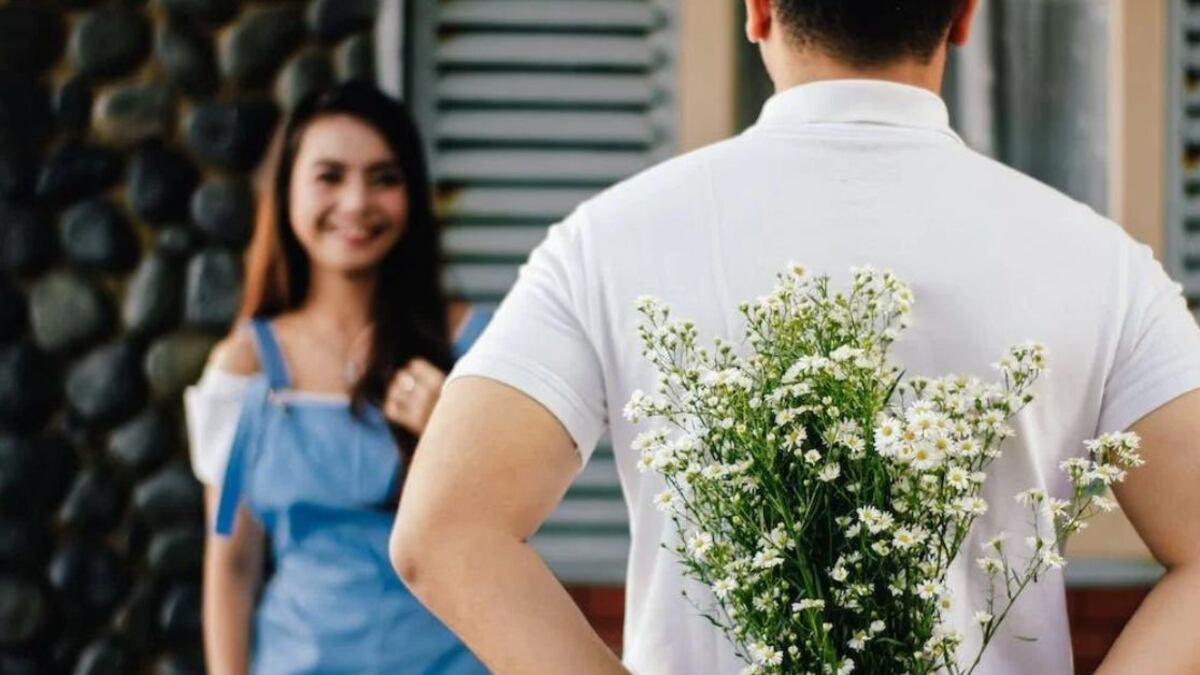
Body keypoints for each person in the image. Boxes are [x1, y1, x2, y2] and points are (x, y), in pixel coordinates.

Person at [388, 1, 1200, 673]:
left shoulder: (608, 239)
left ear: (757, 10)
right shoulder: (1096, 260)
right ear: (963, 17)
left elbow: (444, 530)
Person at [184, 82, 490, 674]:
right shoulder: (242, 369)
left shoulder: (473, 346)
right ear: (287, 190)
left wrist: (448, 438)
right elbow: (232, 563)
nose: (356, 203)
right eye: (329, 176)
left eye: (384, 178)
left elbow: (512, 533)